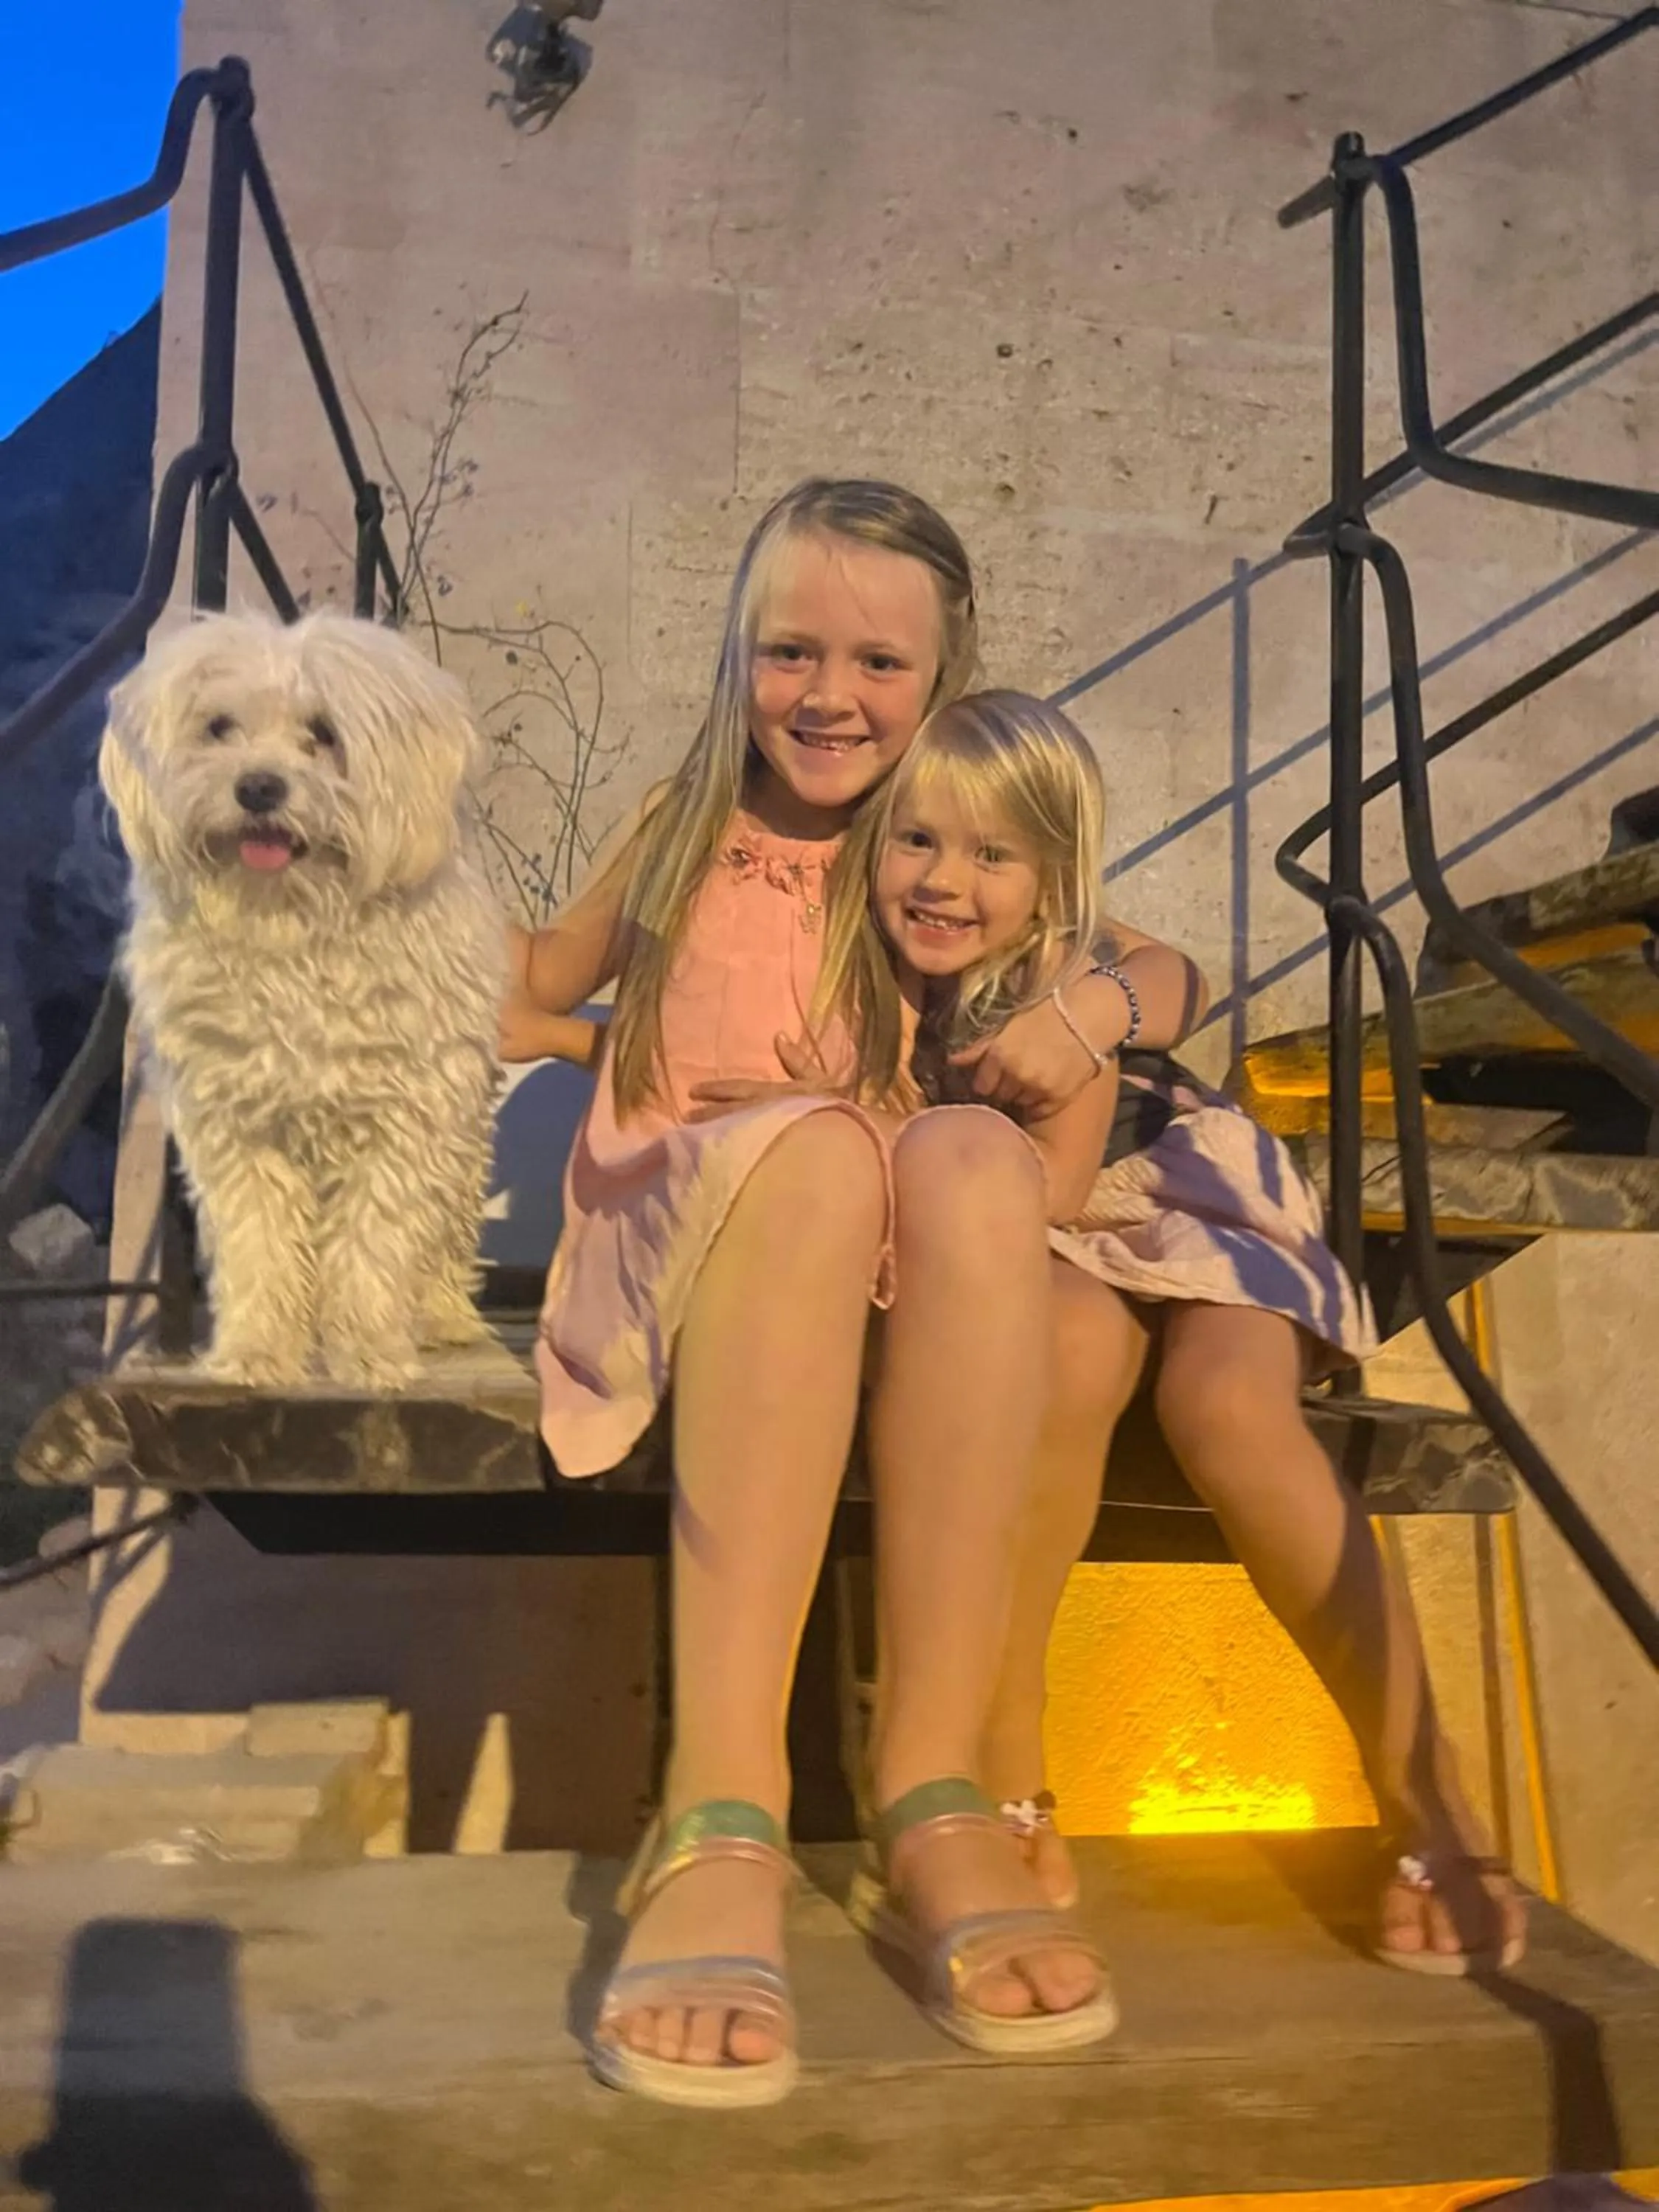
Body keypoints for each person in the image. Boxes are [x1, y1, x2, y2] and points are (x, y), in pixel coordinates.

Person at [497, 477, 1207, 2104]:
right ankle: (720, 1803)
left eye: (881, 665)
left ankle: (932, 1785)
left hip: (864, 1244)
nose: (830, 697)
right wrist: (489, 997)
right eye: (791, 651)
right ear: (738, 657)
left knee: (963, 1157)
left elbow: (1171, 971)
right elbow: (539, 973)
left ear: (947, 683)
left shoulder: (940, 847)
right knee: (820, 1151)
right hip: (697, 1226)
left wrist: (1096, 1005)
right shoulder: (694, 822)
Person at [821, 687, 1528, 1980]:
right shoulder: (849, 970)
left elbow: (1173, 972)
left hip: (1182, 1193)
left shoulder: (1062, 954)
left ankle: (1424, 1785)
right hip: (1033, 1228)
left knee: (1226, 1410)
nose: (943, 879)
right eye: (914, 842)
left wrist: (1089, 1014)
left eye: (990, 854)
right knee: (1067, 1357)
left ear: (1045, 876)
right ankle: (1012, 1765)